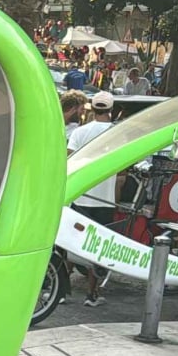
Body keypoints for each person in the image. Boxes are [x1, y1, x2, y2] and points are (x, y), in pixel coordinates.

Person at [68, 90, 117, 307]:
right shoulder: (117, 132)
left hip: (81, 195)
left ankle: (62, 291)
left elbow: (69, 159)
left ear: (93, 108)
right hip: (105, 199)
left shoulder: (79, 132)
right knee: (98, 246)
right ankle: (92, 294)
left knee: (71, 242)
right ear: (111, 109)